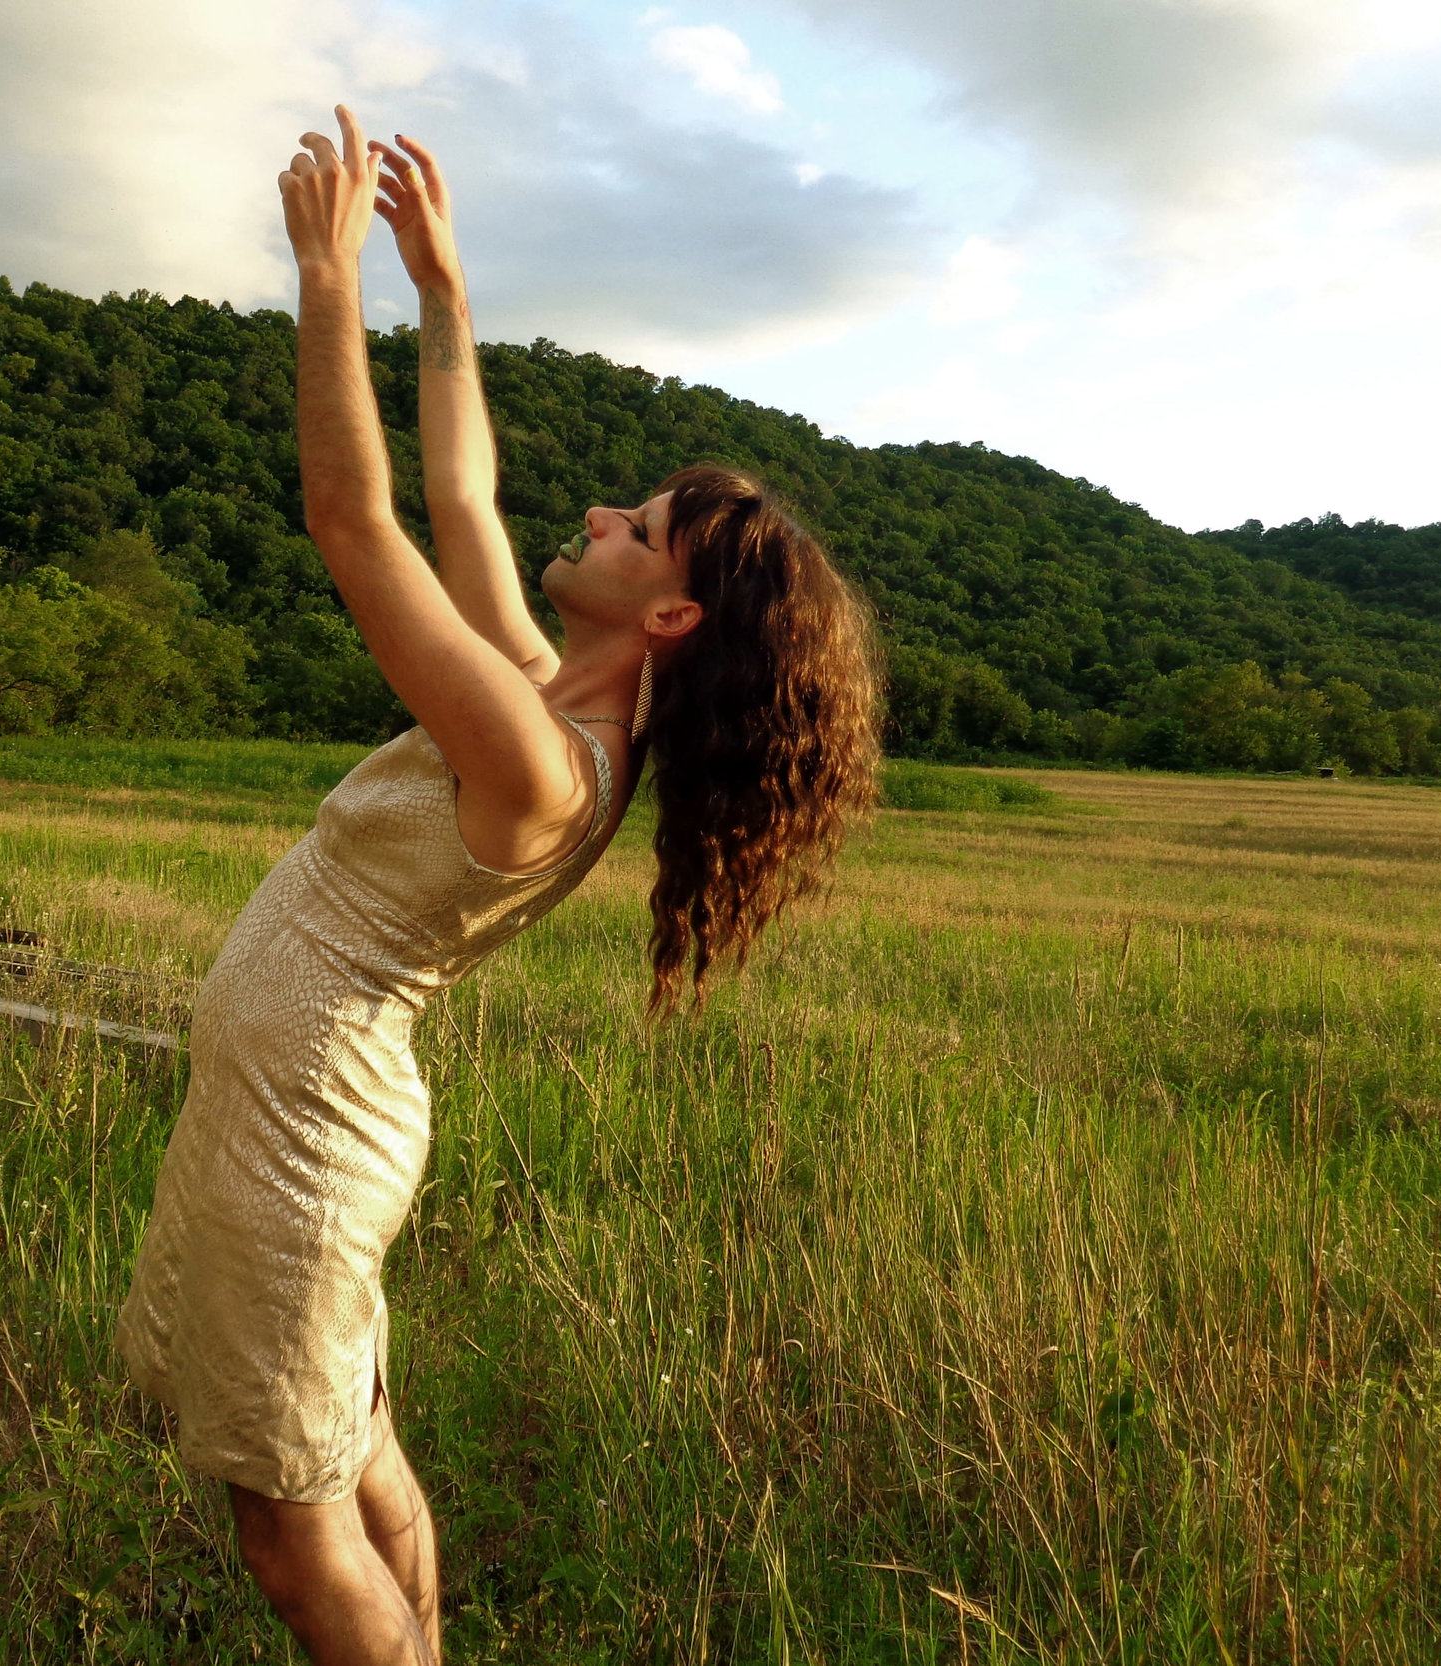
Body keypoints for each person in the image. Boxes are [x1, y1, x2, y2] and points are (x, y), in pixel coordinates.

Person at [118, 107, 881, 1666]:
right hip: (297, 1117)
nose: (599, 514)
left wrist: (324, 284)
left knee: (291, 1524)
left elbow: (358, 521)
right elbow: (460, 501)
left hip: (308, 1141)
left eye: (638, 526)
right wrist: (441, 287)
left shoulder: (541, 772)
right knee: (357, 1444)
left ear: (667, 614)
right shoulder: (542, 698)